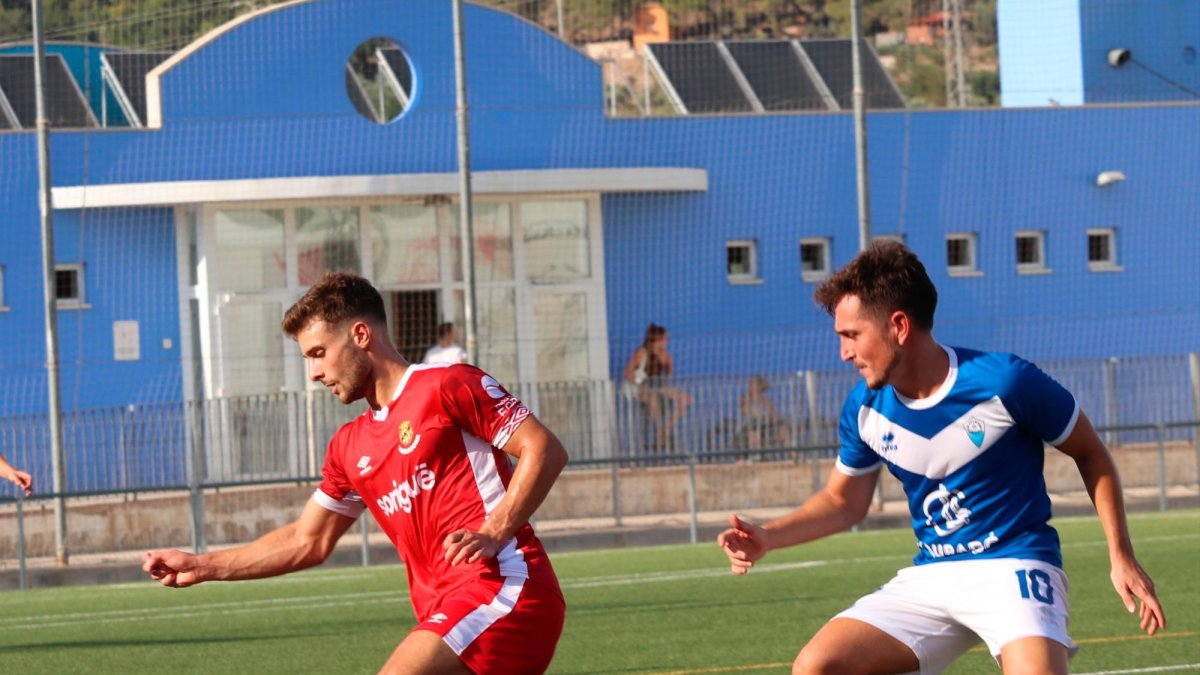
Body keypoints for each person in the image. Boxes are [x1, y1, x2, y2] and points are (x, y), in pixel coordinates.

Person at [717, 241, 1164, 675]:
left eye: (852, 335)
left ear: (899, 326)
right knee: (816, 667)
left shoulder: (1005, 382)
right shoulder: (865, 409)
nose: (844, 353)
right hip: (934, 573)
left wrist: (1121, 555)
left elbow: (1090, 452)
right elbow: (842, 502)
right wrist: (768, 537)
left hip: (1016, 565)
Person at [143, 272, 568, 675]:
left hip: (504, 588)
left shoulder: (447, 386)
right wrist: (202, 565)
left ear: (361, 335)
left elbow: (543, 448)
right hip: (445, 609)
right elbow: (306, 540)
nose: (314, 373)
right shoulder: (348, 447)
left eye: (318, 353)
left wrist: (493, 531)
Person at [622, 323, 692, 449]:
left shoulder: (665, 355)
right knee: (653, 399)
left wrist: (668, 364)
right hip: (639, 386)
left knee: (685, 398)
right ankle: (659, 431)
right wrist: (638, 381)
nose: (667, 342)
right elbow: (627, 372)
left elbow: (669, 375)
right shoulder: (641, 353)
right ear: (657, 340)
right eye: (665, 339)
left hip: (657, 385)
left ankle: (666, 430)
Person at [739, 375, 792, 451]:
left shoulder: (766, 401)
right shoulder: (744, 399)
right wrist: (754, 411)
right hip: (747, 429)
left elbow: (774, 416)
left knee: (782, 426)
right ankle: (757, 454)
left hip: (764, 427)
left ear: (759, 387)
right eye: (750, 384)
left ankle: (792, 452)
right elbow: (743, 411)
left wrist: (765, 416)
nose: (749, 386)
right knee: (754, 429)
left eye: (752, 384)